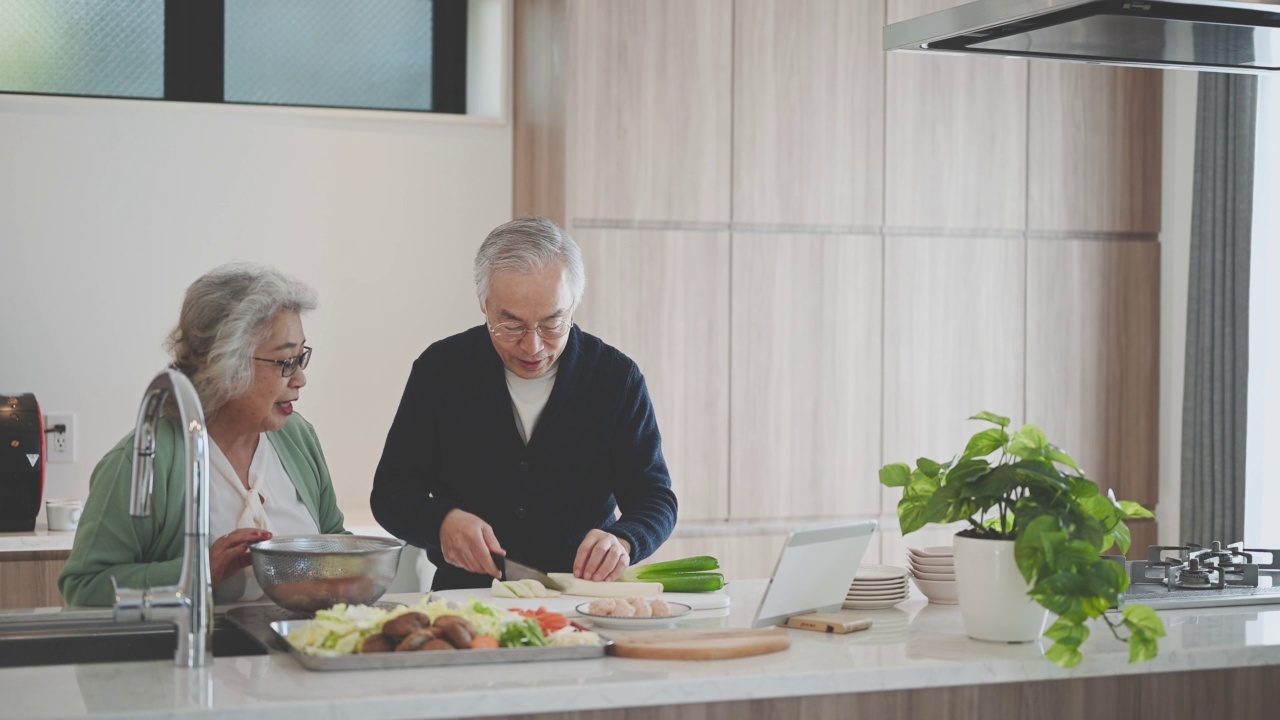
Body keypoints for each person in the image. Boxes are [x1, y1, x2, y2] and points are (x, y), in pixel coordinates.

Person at [371, 217, 678, 590]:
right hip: (465, 599)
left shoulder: (615, 379)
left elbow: (655, 497)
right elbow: (391, 492)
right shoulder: (440, 371)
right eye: (511, 325)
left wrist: (625, 539)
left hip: (580, 596)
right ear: (484, 305)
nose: (533, 346)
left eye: (552, 323)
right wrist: (442, 521)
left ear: (574, 305)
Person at [58, 263, 347, 606]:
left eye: (301, 358)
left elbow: (335, 544)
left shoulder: (298, 438)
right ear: (226, 364)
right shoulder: (144, 459)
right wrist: (197, 572)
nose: (300, 379)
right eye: (286, 362)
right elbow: (84, 588)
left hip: (296, 654)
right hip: (195, 656)